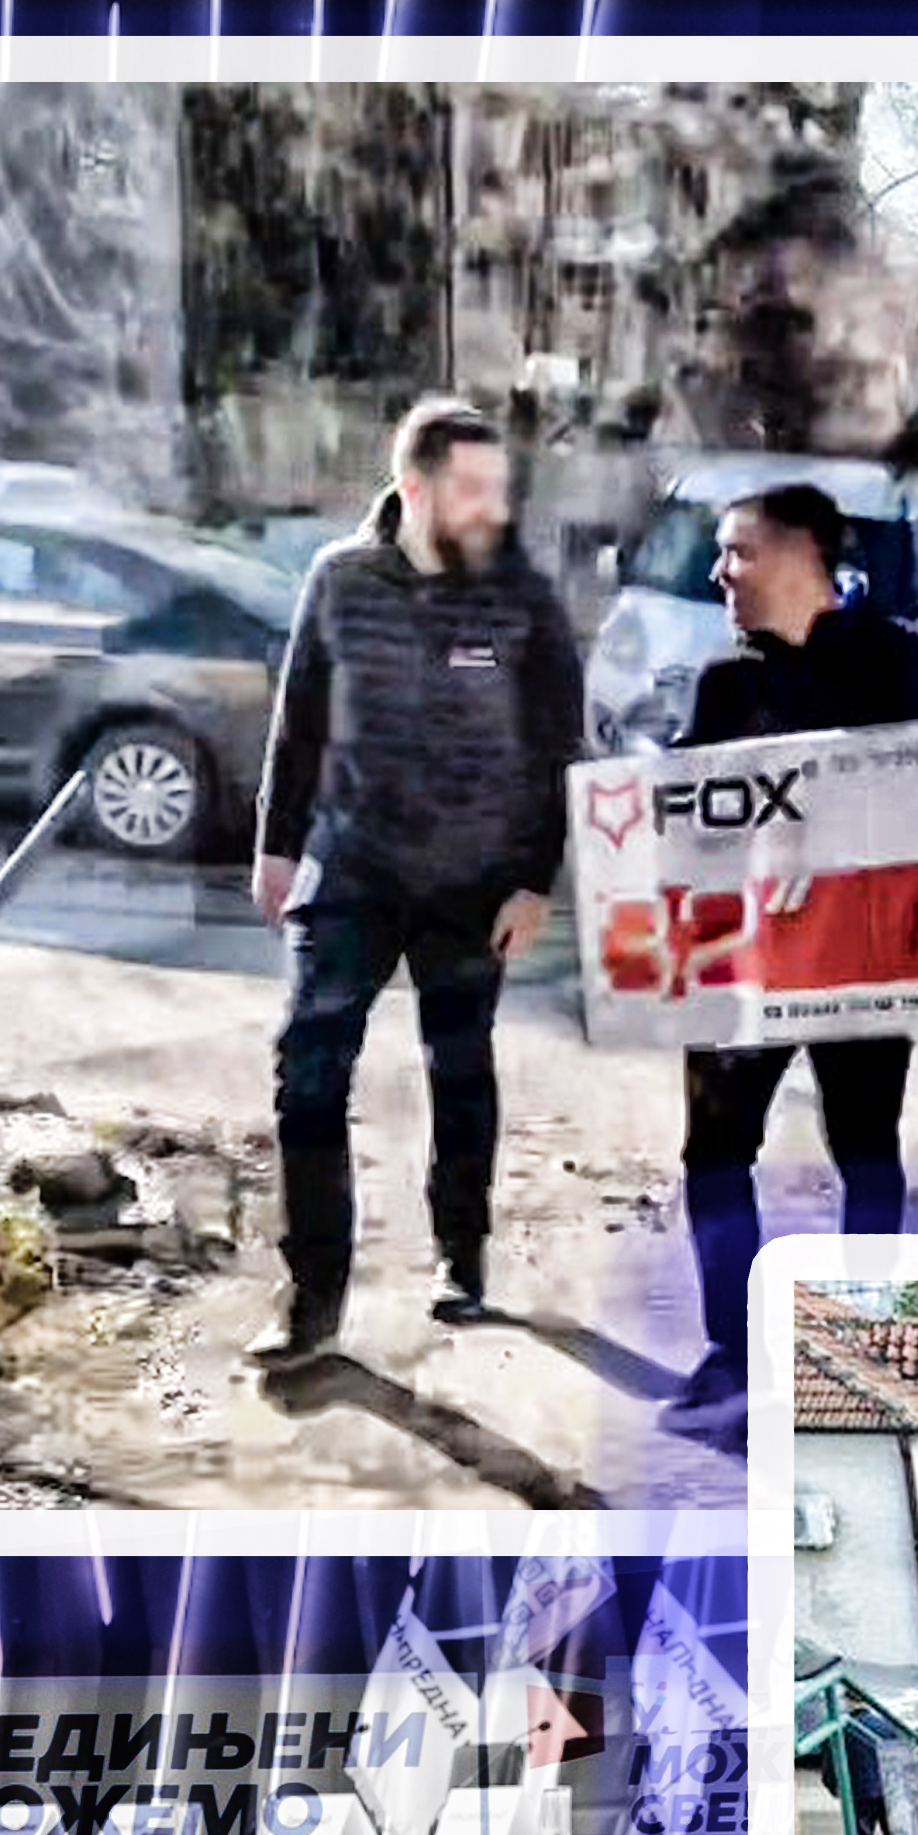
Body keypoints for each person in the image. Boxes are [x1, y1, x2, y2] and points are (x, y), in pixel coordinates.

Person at [659, 481, 918, 1439]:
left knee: (867, 1153)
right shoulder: (722, 685)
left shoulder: (910, 670)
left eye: (734, 552)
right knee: (713, 1153)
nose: (719, 574)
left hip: (868, 971)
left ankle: (859, 1351)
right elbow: (675, 821)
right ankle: (735, 1351)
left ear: (798, 558)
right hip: (748, 974)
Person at [248, 395, 582, 1362]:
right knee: (306, 1072)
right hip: (351, 864)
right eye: (471, 490)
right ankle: (311, 1297)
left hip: (473, 882)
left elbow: (558, 742)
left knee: (459, 1067)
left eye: (498, 489)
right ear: (414, 488)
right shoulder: (340, 578)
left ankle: (460, 1257)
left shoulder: (521, 596)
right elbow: (299, 713)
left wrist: (534, 880)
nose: (491, 507)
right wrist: (276, 846)